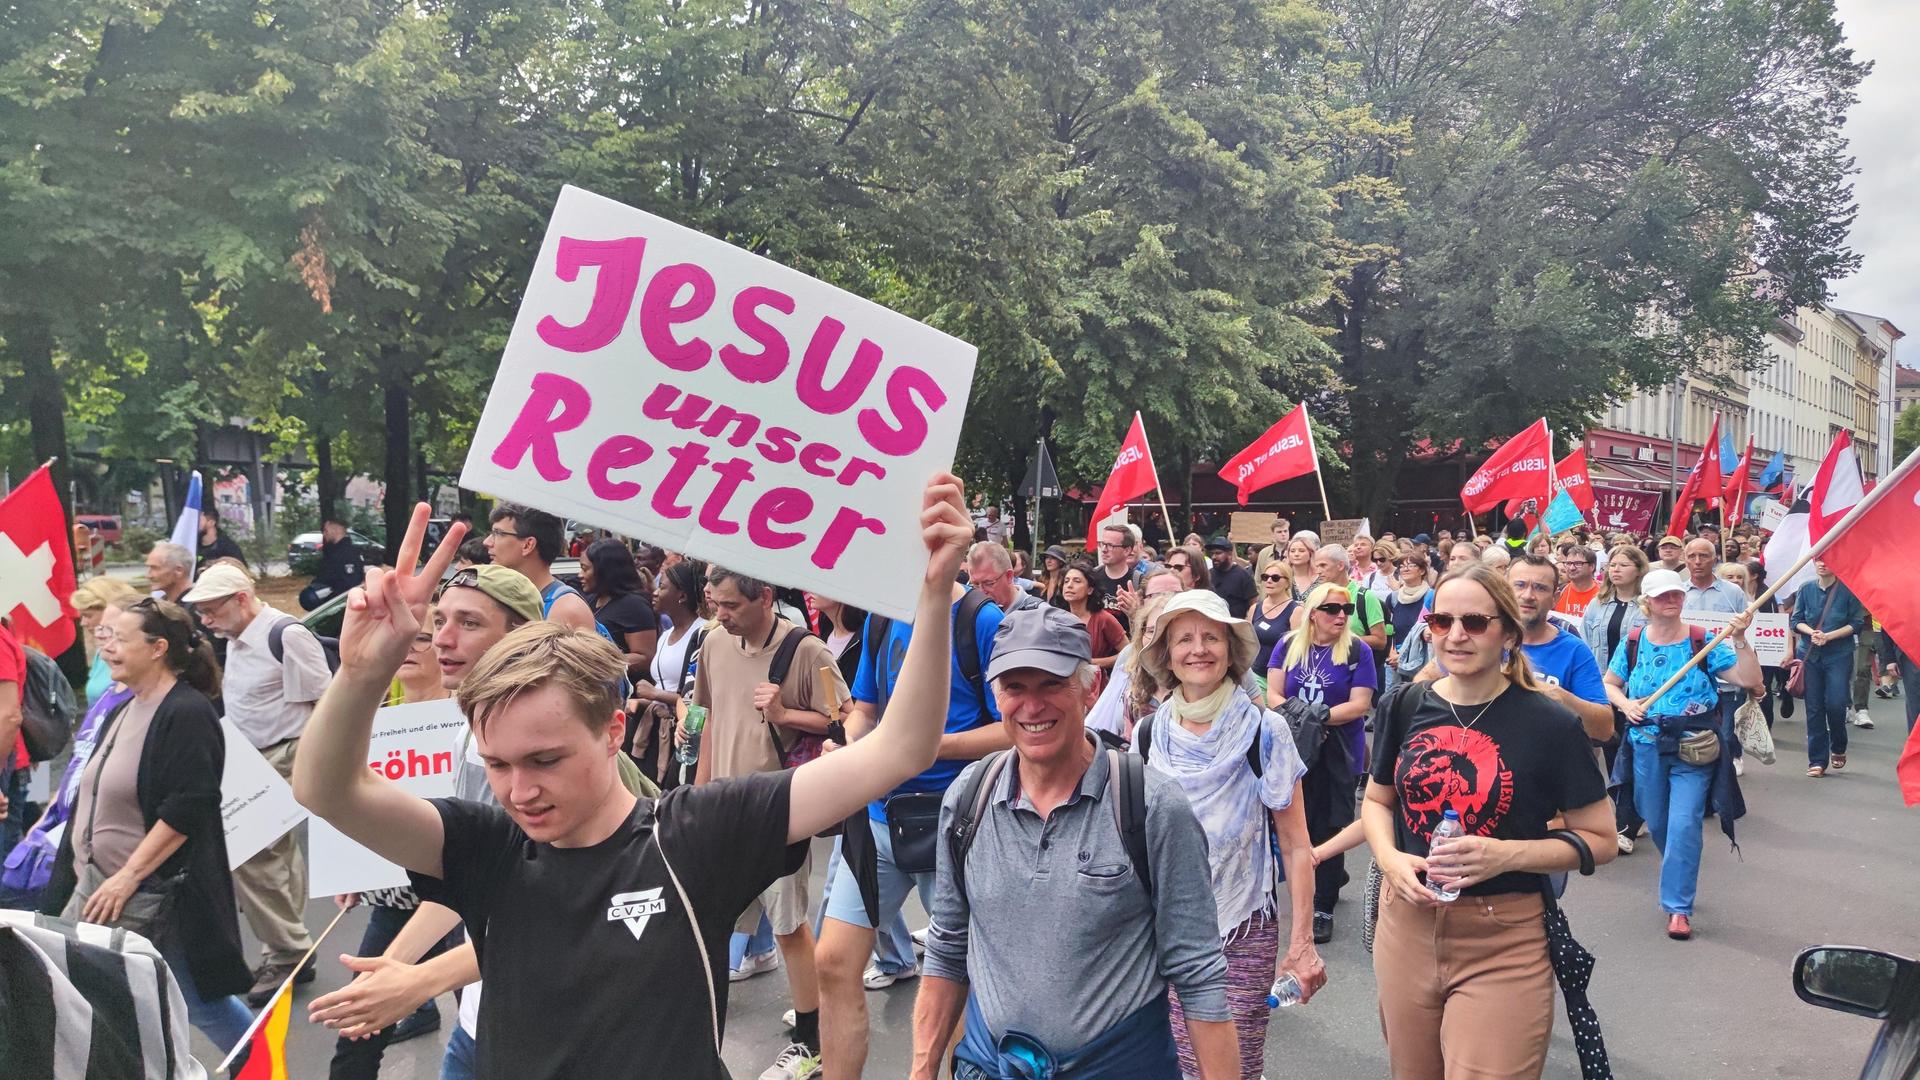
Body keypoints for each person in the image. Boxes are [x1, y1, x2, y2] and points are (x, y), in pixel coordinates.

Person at [294, 483, 972, 1080]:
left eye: (546, 760)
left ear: (613, 731)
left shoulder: (692, 835)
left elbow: (900, 748)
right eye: (498, 765)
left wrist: (935, 593)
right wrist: (359, 674)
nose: (519, 790)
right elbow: (327, 791)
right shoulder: (487, 844)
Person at [912, 605, 1241, 1079]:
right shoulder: (969, 798)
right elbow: (947, 945)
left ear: (1090, 689)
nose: (1032, 705)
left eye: (1051, 684)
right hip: (990, 1065)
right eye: (1015, 688)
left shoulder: (1151, 807)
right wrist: (922, 1069)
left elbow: (1197, 970)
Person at [1366, 564, 1617, 1076]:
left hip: (1503, 936)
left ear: (1507, 632)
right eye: (1441, 621)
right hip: (1406, 928)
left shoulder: (1551, 723)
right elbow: (1375, 801)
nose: (1456, 635)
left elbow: (1601, 838)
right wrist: (1390, 860)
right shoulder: (1405, 704)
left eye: (1475, 623)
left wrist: (1504, 854)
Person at [817, 529, 1011, 1080]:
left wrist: (924, 746)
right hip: (880, 817)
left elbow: (1013, 727)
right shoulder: (882, 618)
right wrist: (853, 746)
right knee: (833, 962)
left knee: (955, 977)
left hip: (956, 823)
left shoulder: (981, 619)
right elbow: (865, 709)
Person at [1127, 591, 1322, 1077]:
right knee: (1164, 1063)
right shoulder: (1147, 735)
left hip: (1242, 928)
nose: (1199, 649)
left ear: (1231, 651)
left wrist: (1302, 944)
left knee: (1228, 1067)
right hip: (1160, 930)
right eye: (1184, 639)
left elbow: (1298, 846)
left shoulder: (1265, 730)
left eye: (1211, 637)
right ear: (1167, 656)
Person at [59, 599, 255, 1052]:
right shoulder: (121, 708)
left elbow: (190, 807)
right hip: (100, 885)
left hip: (156, 896)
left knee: (201, 1003)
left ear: (158, 648)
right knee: (95, 992)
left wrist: (128, 877)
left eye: (119, 639)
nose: (106, 649)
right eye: (104, 638)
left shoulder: (185, 711)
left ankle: (263, 1066)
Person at [693, 566, 850, 1078]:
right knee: (709, 921)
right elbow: (710, 716)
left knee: (787, 926)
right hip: (721, 808)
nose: (721, 615)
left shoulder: (806, 649)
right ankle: (700, 1035)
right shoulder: (714, 644)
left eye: (731, 606)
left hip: (781, 810)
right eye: (716, 604)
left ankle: (811, 1040)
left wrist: (785, 714)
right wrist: (698, 794)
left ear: (764, 596)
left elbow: (847, 718)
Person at [326, 616, 466, 1078]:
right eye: (402, 640)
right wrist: (350, 870)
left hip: (461, 902)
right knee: (357, 1024)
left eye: (422, 639)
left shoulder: (469, 718)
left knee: (478, 1026)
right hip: (395, 898)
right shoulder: (380, 715)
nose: (408, 649)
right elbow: (353, 795)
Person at [182, 561, 326, 1002]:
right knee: (276, 855)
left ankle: (289, 950)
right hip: (250, 756)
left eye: (211, 610)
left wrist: (313, 762)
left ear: (241, 599)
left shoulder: (286, 634)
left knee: (249, 853)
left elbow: (326, 701)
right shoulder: (239, 637)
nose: (205, 621)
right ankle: (288, 945)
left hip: (285, 752)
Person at [1603, 568, 1759, 939]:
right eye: (1662, 596)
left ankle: (1678, 907)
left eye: (1676, 594)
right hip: (1645, 746)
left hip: (1694, 747)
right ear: (1647, 602)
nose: (1671, 600)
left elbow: (1750, 681)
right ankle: (1679, 868)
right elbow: (1610, 684)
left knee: (1685, 824)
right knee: (1656, 822)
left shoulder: (1703, 640)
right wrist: (1625, 704)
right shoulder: (1635, 639)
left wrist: (1740, 639)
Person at [1266, 582, 1376, 945]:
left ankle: (1323, 906)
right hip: (1295, 746)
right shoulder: (1287, 644)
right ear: (1313, 612)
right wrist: (1303, 718)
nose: (1341, 615)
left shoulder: (1358, 650)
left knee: (1332, 826)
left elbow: (1360, 705)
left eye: (1345, 609)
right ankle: (1315, 882)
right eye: (1331, 609)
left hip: (1339, 751)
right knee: (1298, 824)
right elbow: (1273, 693)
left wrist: (1320, 716)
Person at [1582, 544, 1650, 854]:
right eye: (1612, 565)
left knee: (1631, 754)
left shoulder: (1647, 606)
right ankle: (1632, 809)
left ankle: (1626, 824)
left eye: (1623, 564)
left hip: (1637, 693)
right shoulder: (1597, 604)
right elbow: (1584, 643)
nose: (1616, 570)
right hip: (1601, 688)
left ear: (1638, 569)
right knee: (1611, 753)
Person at [1505, 555, 1613, 742]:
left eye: (1540, 588)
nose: (1528, 595)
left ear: (1555, 598)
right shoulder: (1482, 639)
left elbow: (1604, 729)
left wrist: (1558, 697)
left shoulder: (1574, 651)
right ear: (1504, 590)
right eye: (1520, 585)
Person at [627, 559, 710, 786]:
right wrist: (643, 702)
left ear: (681, 595)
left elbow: (697, 697)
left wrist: (654, 694)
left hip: (683, 732)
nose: (654, 592)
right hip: (656, 730)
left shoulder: (703, 633)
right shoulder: (665, 635)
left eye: (662, 587)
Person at [1791, 561, 1866, 777]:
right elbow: (1796, 620)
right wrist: (1812, 632)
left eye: (1828, 560)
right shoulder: (1806, 588)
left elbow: (1857, 623)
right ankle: (1817, 760)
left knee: (1835, 703)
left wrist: (1828, 636)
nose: (1823, 564)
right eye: (1819, 560)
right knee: (1814, 707)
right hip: (1809, 654)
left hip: (1839, 654)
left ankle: (1839, 745)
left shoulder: (1848, 590)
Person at [483, 505, 600, 637]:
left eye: (498, 533)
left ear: (528, 545)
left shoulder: (565, 610)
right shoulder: (501, 597)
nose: (487, 542)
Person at [580, 537, 659, 681]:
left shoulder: (634, 606)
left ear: (604, 570)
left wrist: (597, 662)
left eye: (585, 569)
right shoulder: (591, 599)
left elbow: (646, 658)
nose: (580, 575)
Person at [1311, 544, 1389, 686]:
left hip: (1355, 672)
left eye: (1323, 565)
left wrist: (1342, 638)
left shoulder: (1365, 597)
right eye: (1317, 566)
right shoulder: (1317, 596)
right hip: (1320, 670)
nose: (1318, 571)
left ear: (1340, 565)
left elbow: (1380, 640)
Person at [1056, 562, 1128, 680]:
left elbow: (1128, 653)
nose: (1069, 585)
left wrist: (1094, 663)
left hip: (1096, 686)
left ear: (1090, 589)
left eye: (1077, 581)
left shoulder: (1104, 619)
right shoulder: (1057, 618)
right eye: (1066, 581)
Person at [1742, 560, 1788, 730]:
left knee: (1763, 687)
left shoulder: (1769, 596)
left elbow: (1780, 625)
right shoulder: (1735, 594)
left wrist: (1786, 649)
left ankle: (1764, 727)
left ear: (1754, 576)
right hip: (1742, 649)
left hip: (1764, 651)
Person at [1385, 552, 1433, 695]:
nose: (1405, 569)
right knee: (1392, 700)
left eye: (1410, 565)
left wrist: (1404, 656)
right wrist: (1391, 652)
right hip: (1394, 658)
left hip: (1420, 658)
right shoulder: (1393, 598)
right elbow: (1388, 628)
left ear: (1422, 570)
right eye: (1402, 566)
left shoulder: (1431, 596)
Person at [1248, 558, 1298, 692]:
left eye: (1275, 578)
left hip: (1282, 677)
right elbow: (1247, 641)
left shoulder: (1296, 610)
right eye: (1265, 577)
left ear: (1287, 582)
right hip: (1256, 674)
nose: (1269, 581)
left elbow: (1298, 649)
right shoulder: (1255, 608)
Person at [301, 518, 368, 611]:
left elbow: (349, 584)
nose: (324, 534)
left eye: (325, 530)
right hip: (329, 602)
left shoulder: (348, 554)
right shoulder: (333, 551)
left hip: (338, 604)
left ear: (335, 530)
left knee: (310, 597)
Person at [1090, 524, 1145, 631]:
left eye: (1110, 545)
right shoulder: (1092, 577)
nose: (1104, 550)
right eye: (1102, 544)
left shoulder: (1139, 581)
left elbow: (1147, 624)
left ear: (1127, 551)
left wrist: (1136, 612)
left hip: (1126, 645)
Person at [968, 542, 1044, 613]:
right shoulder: (973, 611)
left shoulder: (1038, 614)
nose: (981, 591)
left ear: (1009, 576)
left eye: (989, 583)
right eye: (976, 584)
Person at [1554, 545, 1602, 620]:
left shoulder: (1603, 594)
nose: (1572, 568)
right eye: (1569, 563)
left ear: (1592, 567)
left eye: (1578, 563)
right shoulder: (1559, 591)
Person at [1251, 516, 1292, 583]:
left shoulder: (1296, 551)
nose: (1283, 534)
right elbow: (1258, 580)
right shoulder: (1264, 553)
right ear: (1273, 534)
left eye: (1285, 531)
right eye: (1279, 532)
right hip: (1268, 591)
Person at [1281, 535, 1318, 602]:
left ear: (1310, 553)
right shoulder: (1282, 577)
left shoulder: (1320, 578)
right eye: (1292, 551)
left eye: (1301, 551)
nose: (1296, 554)